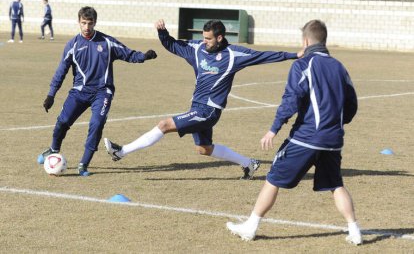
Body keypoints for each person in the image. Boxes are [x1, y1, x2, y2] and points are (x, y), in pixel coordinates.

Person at [104, 19, 303, 179]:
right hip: (197, 107)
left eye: (208, 38)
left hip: (208, 111)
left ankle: (121, 152)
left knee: (164, 125)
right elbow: (174, 46)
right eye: (203, 37)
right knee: (204, 149)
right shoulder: (198, 49)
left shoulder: (234, 55)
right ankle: (249, 164)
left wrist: (294, 55)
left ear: (219, 37)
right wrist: (162, 33)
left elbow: (265, 56)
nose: (204, 41)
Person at [226, 20, 362, 245]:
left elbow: (291, 99)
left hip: (306, 138)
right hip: (333, 140)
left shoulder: (303, 64)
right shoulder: (340, 67)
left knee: (272, 178)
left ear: (306, 41)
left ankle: (250, 226)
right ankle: (354, 230)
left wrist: (273, 129)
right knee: (336, 184)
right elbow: (352, 103)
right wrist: (337, 124)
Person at [37, 6, 157, 176]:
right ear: (78, 22)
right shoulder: (72, 45)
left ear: (95, 23)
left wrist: (144, 56)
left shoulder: (106, 42)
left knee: (97, 123)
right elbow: (61, 71)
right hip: (79, 91)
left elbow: (128, 54)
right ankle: (53, 149)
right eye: (83, 23)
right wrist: (51, 94)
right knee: (62, 122)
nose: (87, 27)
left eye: (90, 23)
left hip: (102, 92)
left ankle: (84, 164)